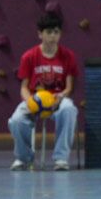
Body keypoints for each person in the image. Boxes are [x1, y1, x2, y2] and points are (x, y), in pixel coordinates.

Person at [8, 12, 82, 171]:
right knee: (16, 120)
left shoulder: (68, 56)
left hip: (57, 100)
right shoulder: (29, 56)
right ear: (40, 34)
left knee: (69, 109)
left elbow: (69, 87)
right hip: (35, 98)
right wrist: (30, 101)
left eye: (56, 32)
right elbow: (24, 87)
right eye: (48, 32)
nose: (53, 36)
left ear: (60, 34)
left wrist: (61, 96)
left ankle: (61, 159)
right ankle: (23, 158)